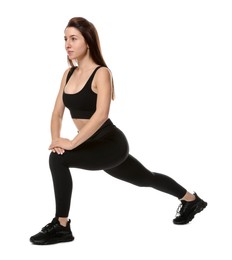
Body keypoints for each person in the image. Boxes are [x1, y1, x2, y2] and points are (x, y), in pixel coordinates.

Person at [30, 17, 207, 245]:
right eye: (65, 39)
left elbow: (101, 114)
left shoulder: (102, 73)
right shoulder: (68, 74)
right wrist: (56, 138)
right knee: (146, 178)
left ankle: (61, 226)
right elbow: (56, 113)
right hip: (91, 144)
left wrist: (71, 143)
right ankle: (191, 200)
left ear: (89, 42)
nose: (67, 44)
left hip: (110, 143)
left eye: (74, 38)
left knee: (57, 160)